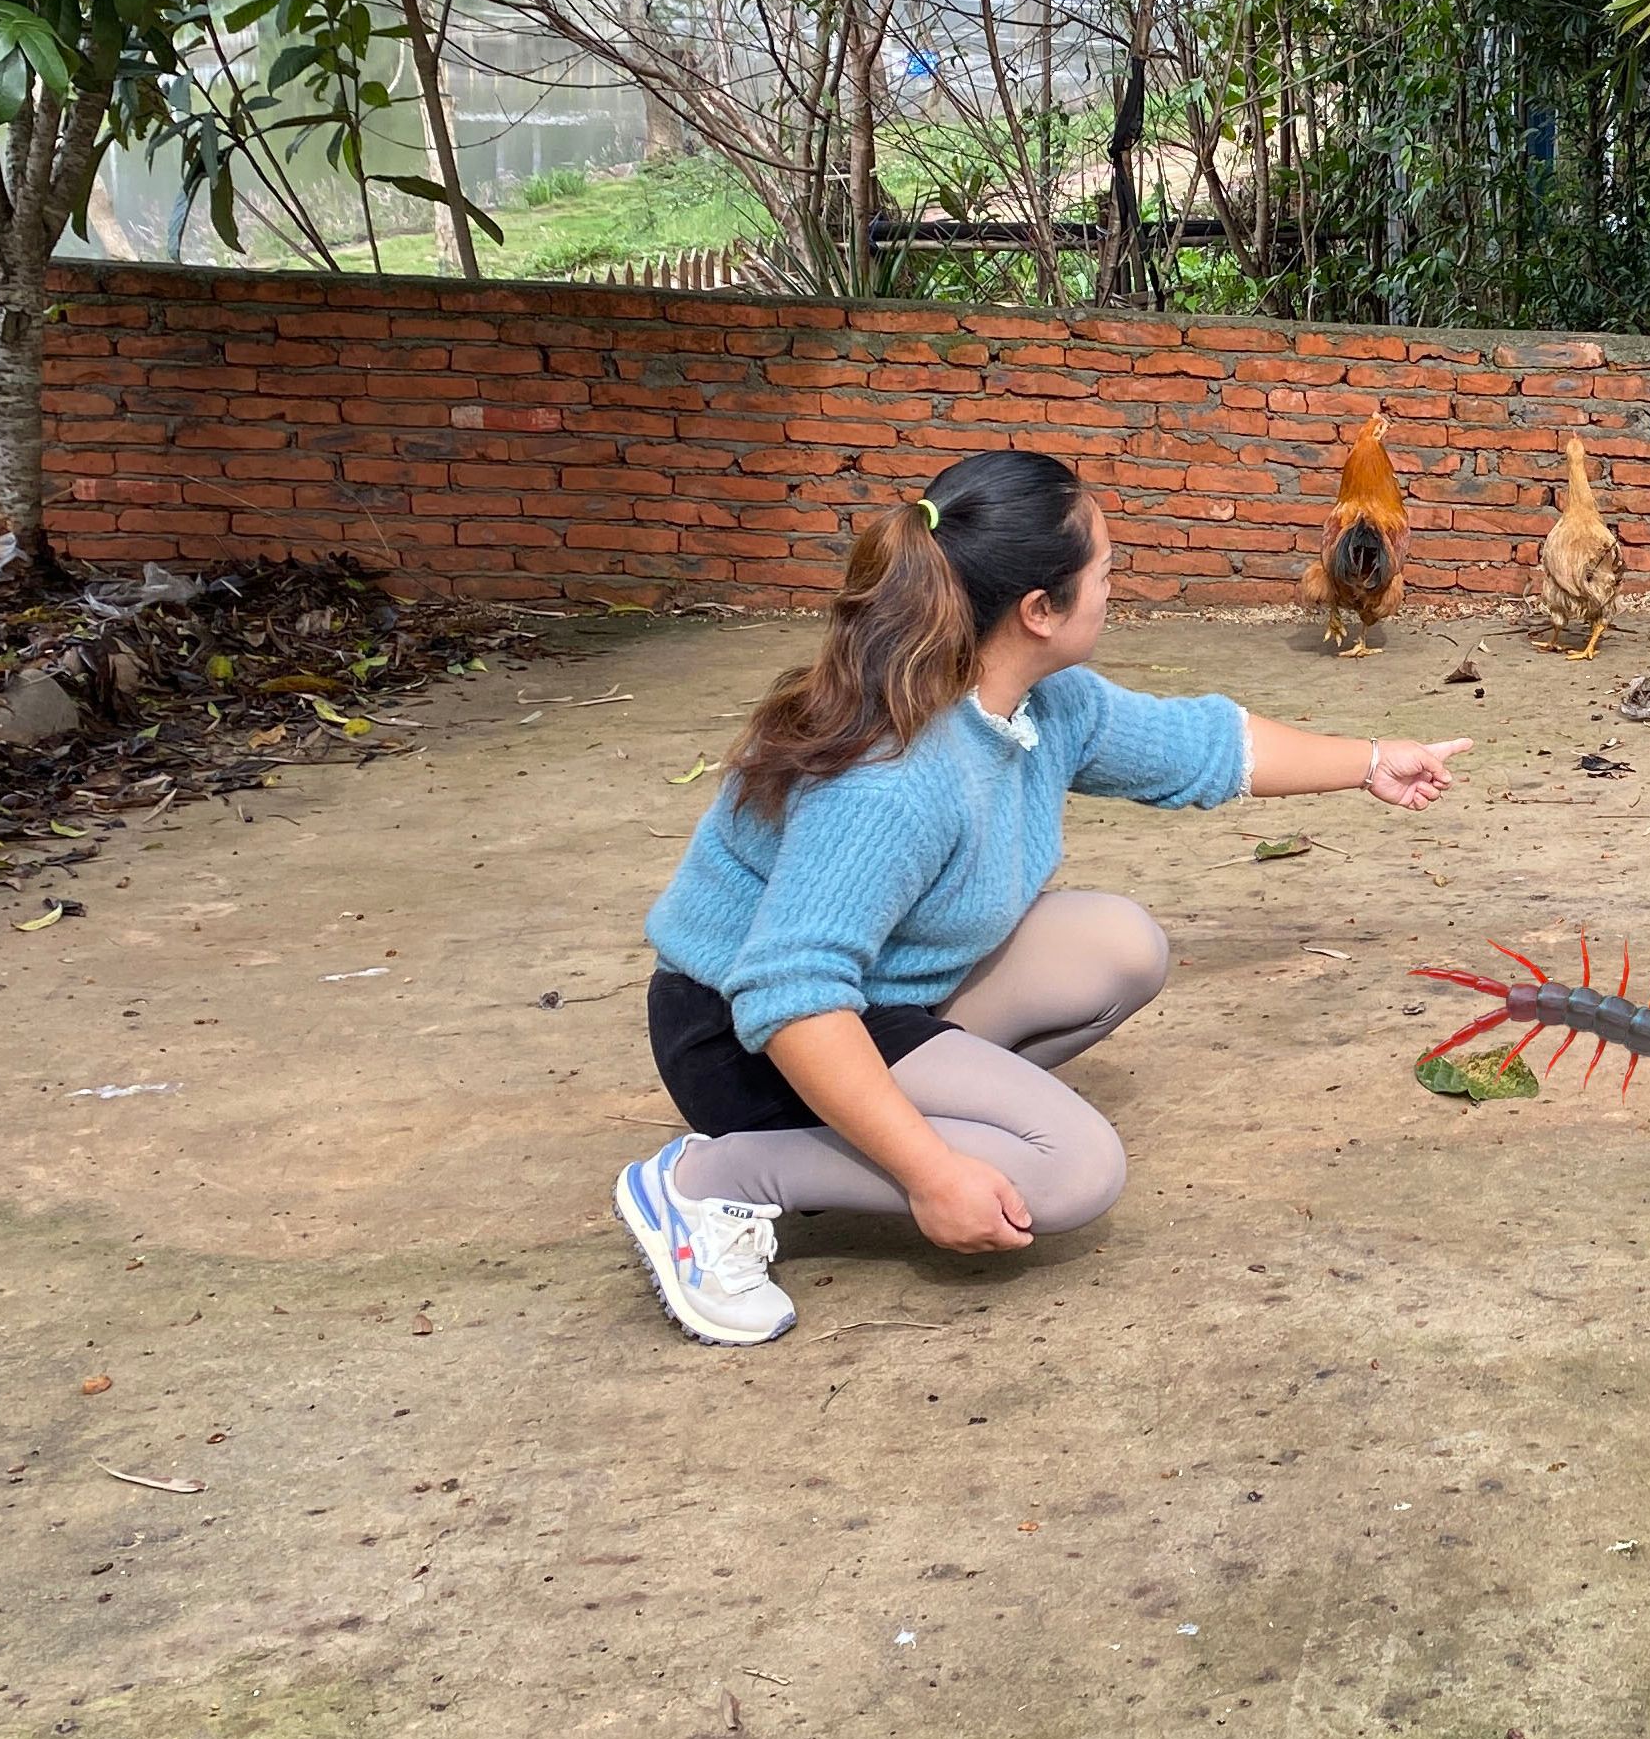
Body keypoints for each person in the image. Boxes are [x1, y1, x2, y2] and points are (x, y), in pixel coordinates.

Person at [617, 448, 1468, 1345]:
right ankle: (718, 1182)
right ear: (1038, 611)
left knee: (1117, 945)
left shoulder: (1037, 701)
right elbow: (791, 998)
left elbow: (1199, 746)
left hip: (881, 1000)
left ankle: (899, 1131)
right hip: (753, 1042)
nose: (1114, 589)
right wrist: (932, 1173)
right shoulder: (894, 779)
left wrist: (1373, 760)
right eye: (1105, 572)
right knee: (1072, 1173)